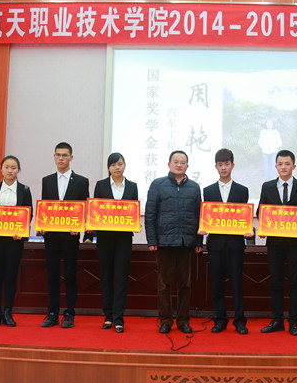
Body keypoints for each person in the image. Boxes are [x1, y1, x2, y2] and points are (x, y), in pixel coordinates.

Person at [145, 150, 202, 334]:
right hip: (164, 242)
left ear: (187, 166)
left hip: (187, 242)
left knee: (185, 284)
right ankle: (166, 320)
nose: (179, 165)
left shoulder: (194, 187)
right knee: (164, 284)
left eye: (183, 162)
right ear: (169, 164)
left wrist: (198, 241)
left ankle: (183, 321)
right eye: (176, 161)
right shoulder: (158, 185)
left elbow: (199, 216)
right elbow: (150, 214)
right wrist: (152, 239)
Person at [258, 149, 297, 336]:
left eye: (287, 164)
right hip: (275, 244)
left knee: (295, 282)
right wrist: (263, 226)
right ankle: (277, 320)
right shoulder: (267, 187)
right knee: (276, 282)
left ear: (294, 166)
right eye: (280, 164)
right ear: (275, 166)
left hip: (295, 243)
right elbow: (261, 211)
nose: (283, 167)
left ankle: (294, 322)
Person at [39, 142, 90, 329]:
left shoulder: (82, 181)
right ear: (54, 157)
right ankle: (52, 313)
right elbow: (44, 207)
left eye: (65, 155)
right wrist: (41, 226)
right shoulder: (47, 180)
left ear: (71, 158)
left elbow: (85, 209)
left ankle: (69, 313)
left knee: (70, 276)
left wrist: (81, 228)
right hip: (51, 237)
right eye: (58, 155)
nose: (61, 158)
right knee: (52, 276)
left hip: (71, 236)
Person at [202, 148, 250, 335]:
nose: (223, 167)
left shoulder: (242, 190)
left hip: (235, 245)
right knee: (217, 285)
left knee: (237, 284)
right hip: (215, 245)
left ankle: (240, 321)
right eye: (220, 164)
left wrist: (248, 230)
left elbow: (244, 218)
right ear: (216, 166)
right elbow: (206, 217)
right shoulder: (208, 191)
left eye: (227, 164)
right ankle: (220, 320)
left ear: (232, 165)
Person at [0, 155, 33, 327]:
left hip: (14, 241)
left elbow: (29, 214)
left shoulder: (24, 190)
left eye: (13, 167)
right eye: (6, 167)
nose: (10, 170)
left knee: (11, 276)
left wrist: (22, 232)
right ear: (1, 169)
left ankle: (8, 311)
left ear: (18, 170)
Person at [93, 152, 138, 334]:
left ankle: (119, 318)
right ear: (109, 168)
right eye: (113, 165)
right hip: (104, 239)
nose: (117, 167)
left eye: (120, 164)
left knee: (121, 278)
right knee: (106, 277)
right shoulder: (101, 185)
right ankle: (108, 316)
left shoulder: (132, 186)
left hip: (124, 239)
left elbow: (133, 211)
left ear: (124, 165)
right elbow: (95, 211)